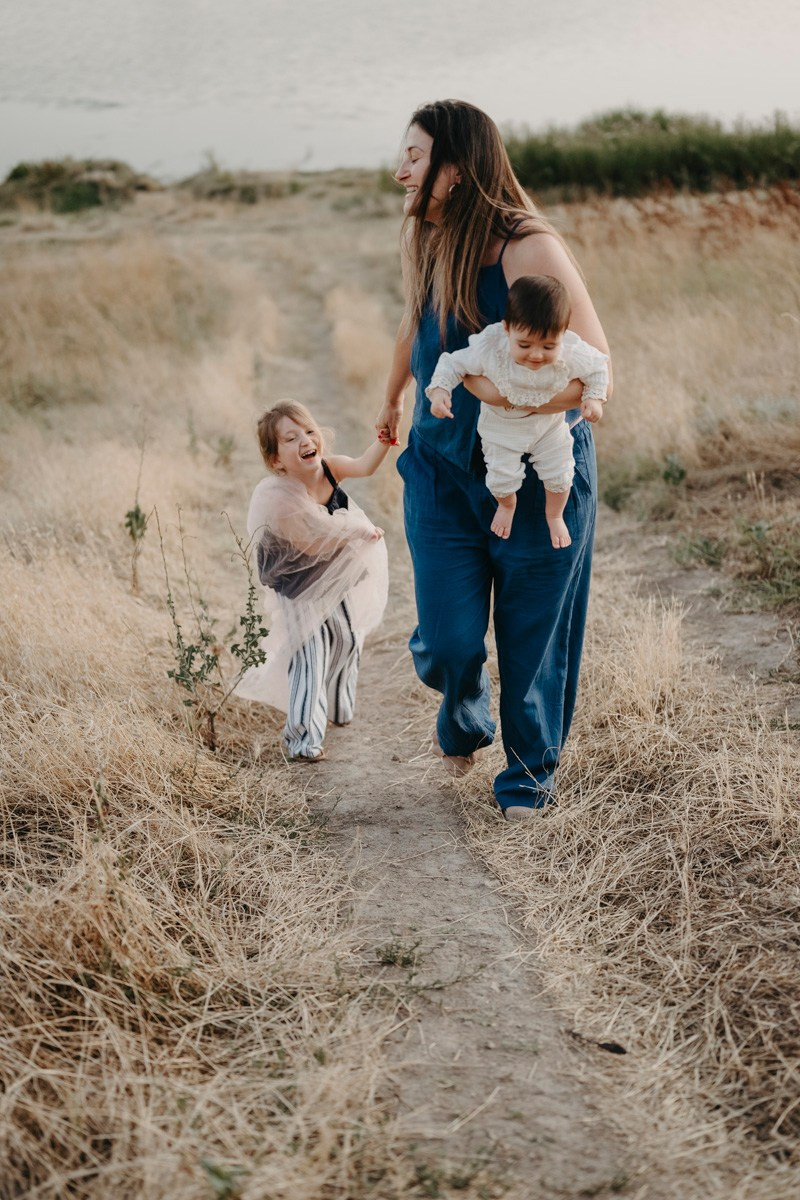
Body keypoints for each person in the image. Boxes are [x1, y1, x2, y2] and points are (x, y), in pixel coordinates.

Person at [376, 99, 612, 820]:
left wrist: (503, 399)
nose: (400, 172)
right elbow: (417, 319)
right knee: (448, 638)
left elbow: (596, 361)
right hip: (441, 468)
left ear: (456, 166)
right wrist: (390, 401)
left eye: (415, 158)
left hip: (536, 472)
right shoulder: (431, 234)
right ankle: (462, 709)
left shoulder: (526, 246)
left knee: (533, 634)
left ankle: (526, 782)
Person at [235, 401, 391, 763]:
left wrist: (384, 438)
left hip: (332, 573)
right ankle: (302, 739)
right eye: (291, 438)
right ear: (277, 461)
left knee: (347, 638)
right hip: (296, 583)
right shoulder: (276, 496)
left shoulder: (330, 469)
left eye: (308, 431)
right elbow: (310, 541)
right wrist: (357, 530)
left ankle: (338, 705)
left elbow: (365, 465)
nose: (305, 439)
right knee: (311, 652)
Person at [426, 274, 608, 544]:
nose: (536, 355)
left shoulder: (572, 352)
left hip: (548, 426)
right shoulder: (491, 349)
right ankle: (507, 506)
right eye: (525, 345)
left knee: (560, 472)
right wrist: (440, 391)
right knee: (501, 475)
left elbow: (598, 367)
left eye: (549, 346)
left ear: (563, 333)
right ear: (507, 329)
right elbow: (454, 363)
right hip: (502, 426)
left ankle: (554, 516)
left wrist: (594, 399)